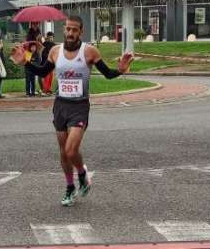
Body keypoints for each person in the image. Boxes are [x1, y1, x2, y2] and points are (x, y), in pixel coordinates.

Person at [11, 15, 134, 206]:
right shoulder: (54, 51)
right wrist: (25, 62)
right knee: (63, 152)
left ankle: (82, 174)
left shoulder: (89, 52)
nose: (70, 33)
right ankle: (69, 187)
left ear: (81, 32)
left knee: (71, 150)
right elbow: (43, 72)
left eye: (74, 30)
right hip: (60, 105)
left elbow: (108, 74)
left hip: (79, 106)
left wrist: (120, 70)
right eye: (67, 29)